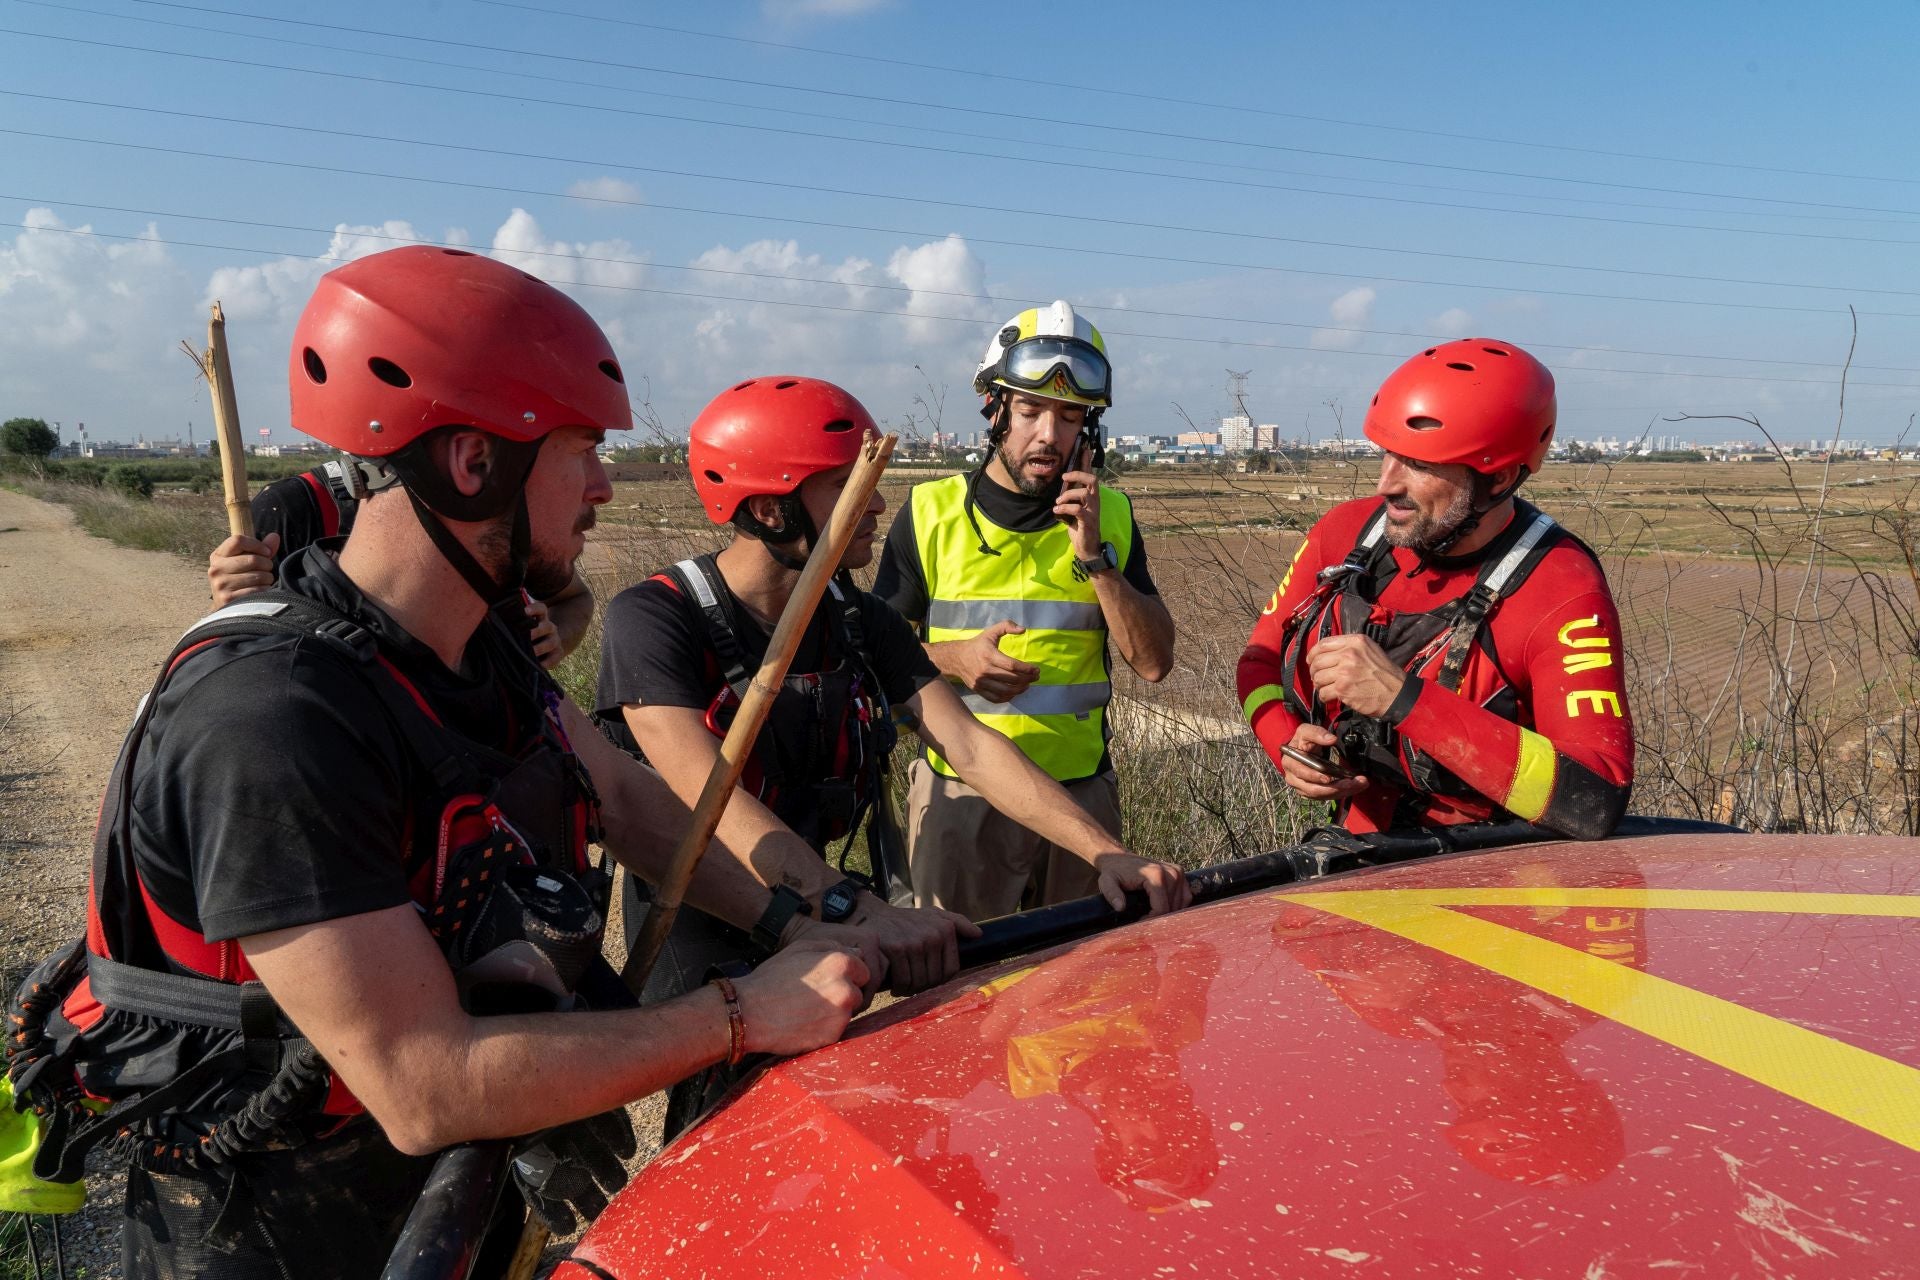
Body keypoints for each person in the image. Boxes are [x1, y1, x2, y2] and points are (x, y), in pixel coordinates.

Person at [5, 247, 888, 1279]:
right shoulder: (272, 718)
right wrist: (742, 1013)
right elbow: (424, 1079)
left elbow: (626, 800)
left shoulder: (475, 643)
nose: (605, 483)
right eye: (581, 451)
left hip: (446, 1193)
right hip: (276, 1220)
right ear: (475, 462)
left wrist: (820, 914)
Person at [594, 375, 1188, 1004]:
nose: (877, 505)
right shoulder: (656, 618)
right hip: (705, 906)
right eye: (852, 487)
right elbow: (701, 791)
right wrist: (851, 906)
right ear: (772, 510)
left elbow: (969, 745)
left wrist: (1104, 853)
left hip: (815, 901)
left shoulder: (855, 618)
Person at [1237, 338, 1634, 839]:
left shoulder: (1561, 588)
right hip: (1356, 853)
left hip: (1491, 876)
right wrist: (1286, 745)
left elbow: (1594, 799)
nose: (1386, 484)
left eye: (1420, 465)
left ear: (1499, 477)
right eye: (1386, 454)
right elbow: (1258, 661)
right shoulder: (1345, 532)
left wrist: (1404, 699)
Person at [874, 303, 1177, 920]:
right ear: (995, 410)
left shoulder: (1111, 516)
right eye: (1031, 410)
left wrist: (1097, 560)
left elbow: (1153, 663)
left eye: (1069, 417)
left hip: (1083, 801)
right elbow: (872, 659)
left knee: (1082, 986)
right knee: (959, 987)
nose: (1049, 434)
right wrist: (953, 660)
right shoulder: (930, 513)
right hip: (963, 799)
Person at [208, 456, 596, 667]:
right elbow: (238, 649)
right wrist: (229, 606)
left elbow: (574, 598)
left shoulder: (484, 506)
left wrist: (555, 639)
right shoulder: (293, 509)